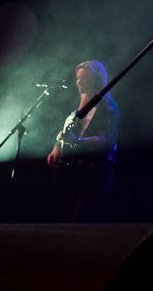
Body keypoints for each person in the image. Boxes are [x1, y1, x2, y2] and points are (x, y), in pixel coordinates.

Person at [47, 60, 119, 222]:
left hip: (95, 172)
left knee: (82, 219)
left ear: (96, 79)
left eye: (84, 78)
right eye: (78, 78)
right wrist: (57, 147)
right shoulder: (79, 108)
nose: (79, 82)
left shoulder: (108, 107)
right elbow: (68, 133)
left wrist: (77, 141)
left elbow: (106, 139)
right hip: (76, 171)